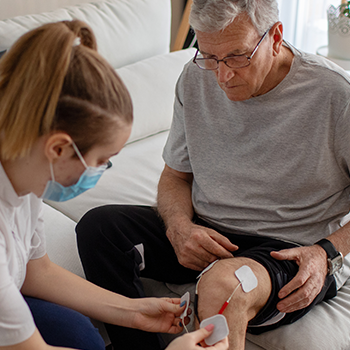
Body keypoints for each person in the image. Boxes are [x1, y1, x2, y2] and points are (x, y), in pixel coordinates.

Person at [76, 0, 350, 349]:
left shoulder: (336, 95)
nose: (222, 75)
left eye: (237, 56)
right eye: (209, 56)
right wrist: (179, 227)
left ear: (276, 37)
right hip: (209, 237)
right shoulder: (195, 76)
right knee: (99, 229)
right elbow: (176, 176)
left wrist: (326, 252)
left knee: (226, 285)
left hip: (288, 251)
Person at [0, 19, 229, 350]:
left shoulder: (26, 173)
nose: (100, 171)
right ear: (59, 148)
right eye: (99, 160)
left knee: (80, 335)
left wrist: (134, 312)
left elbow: (37, 272)